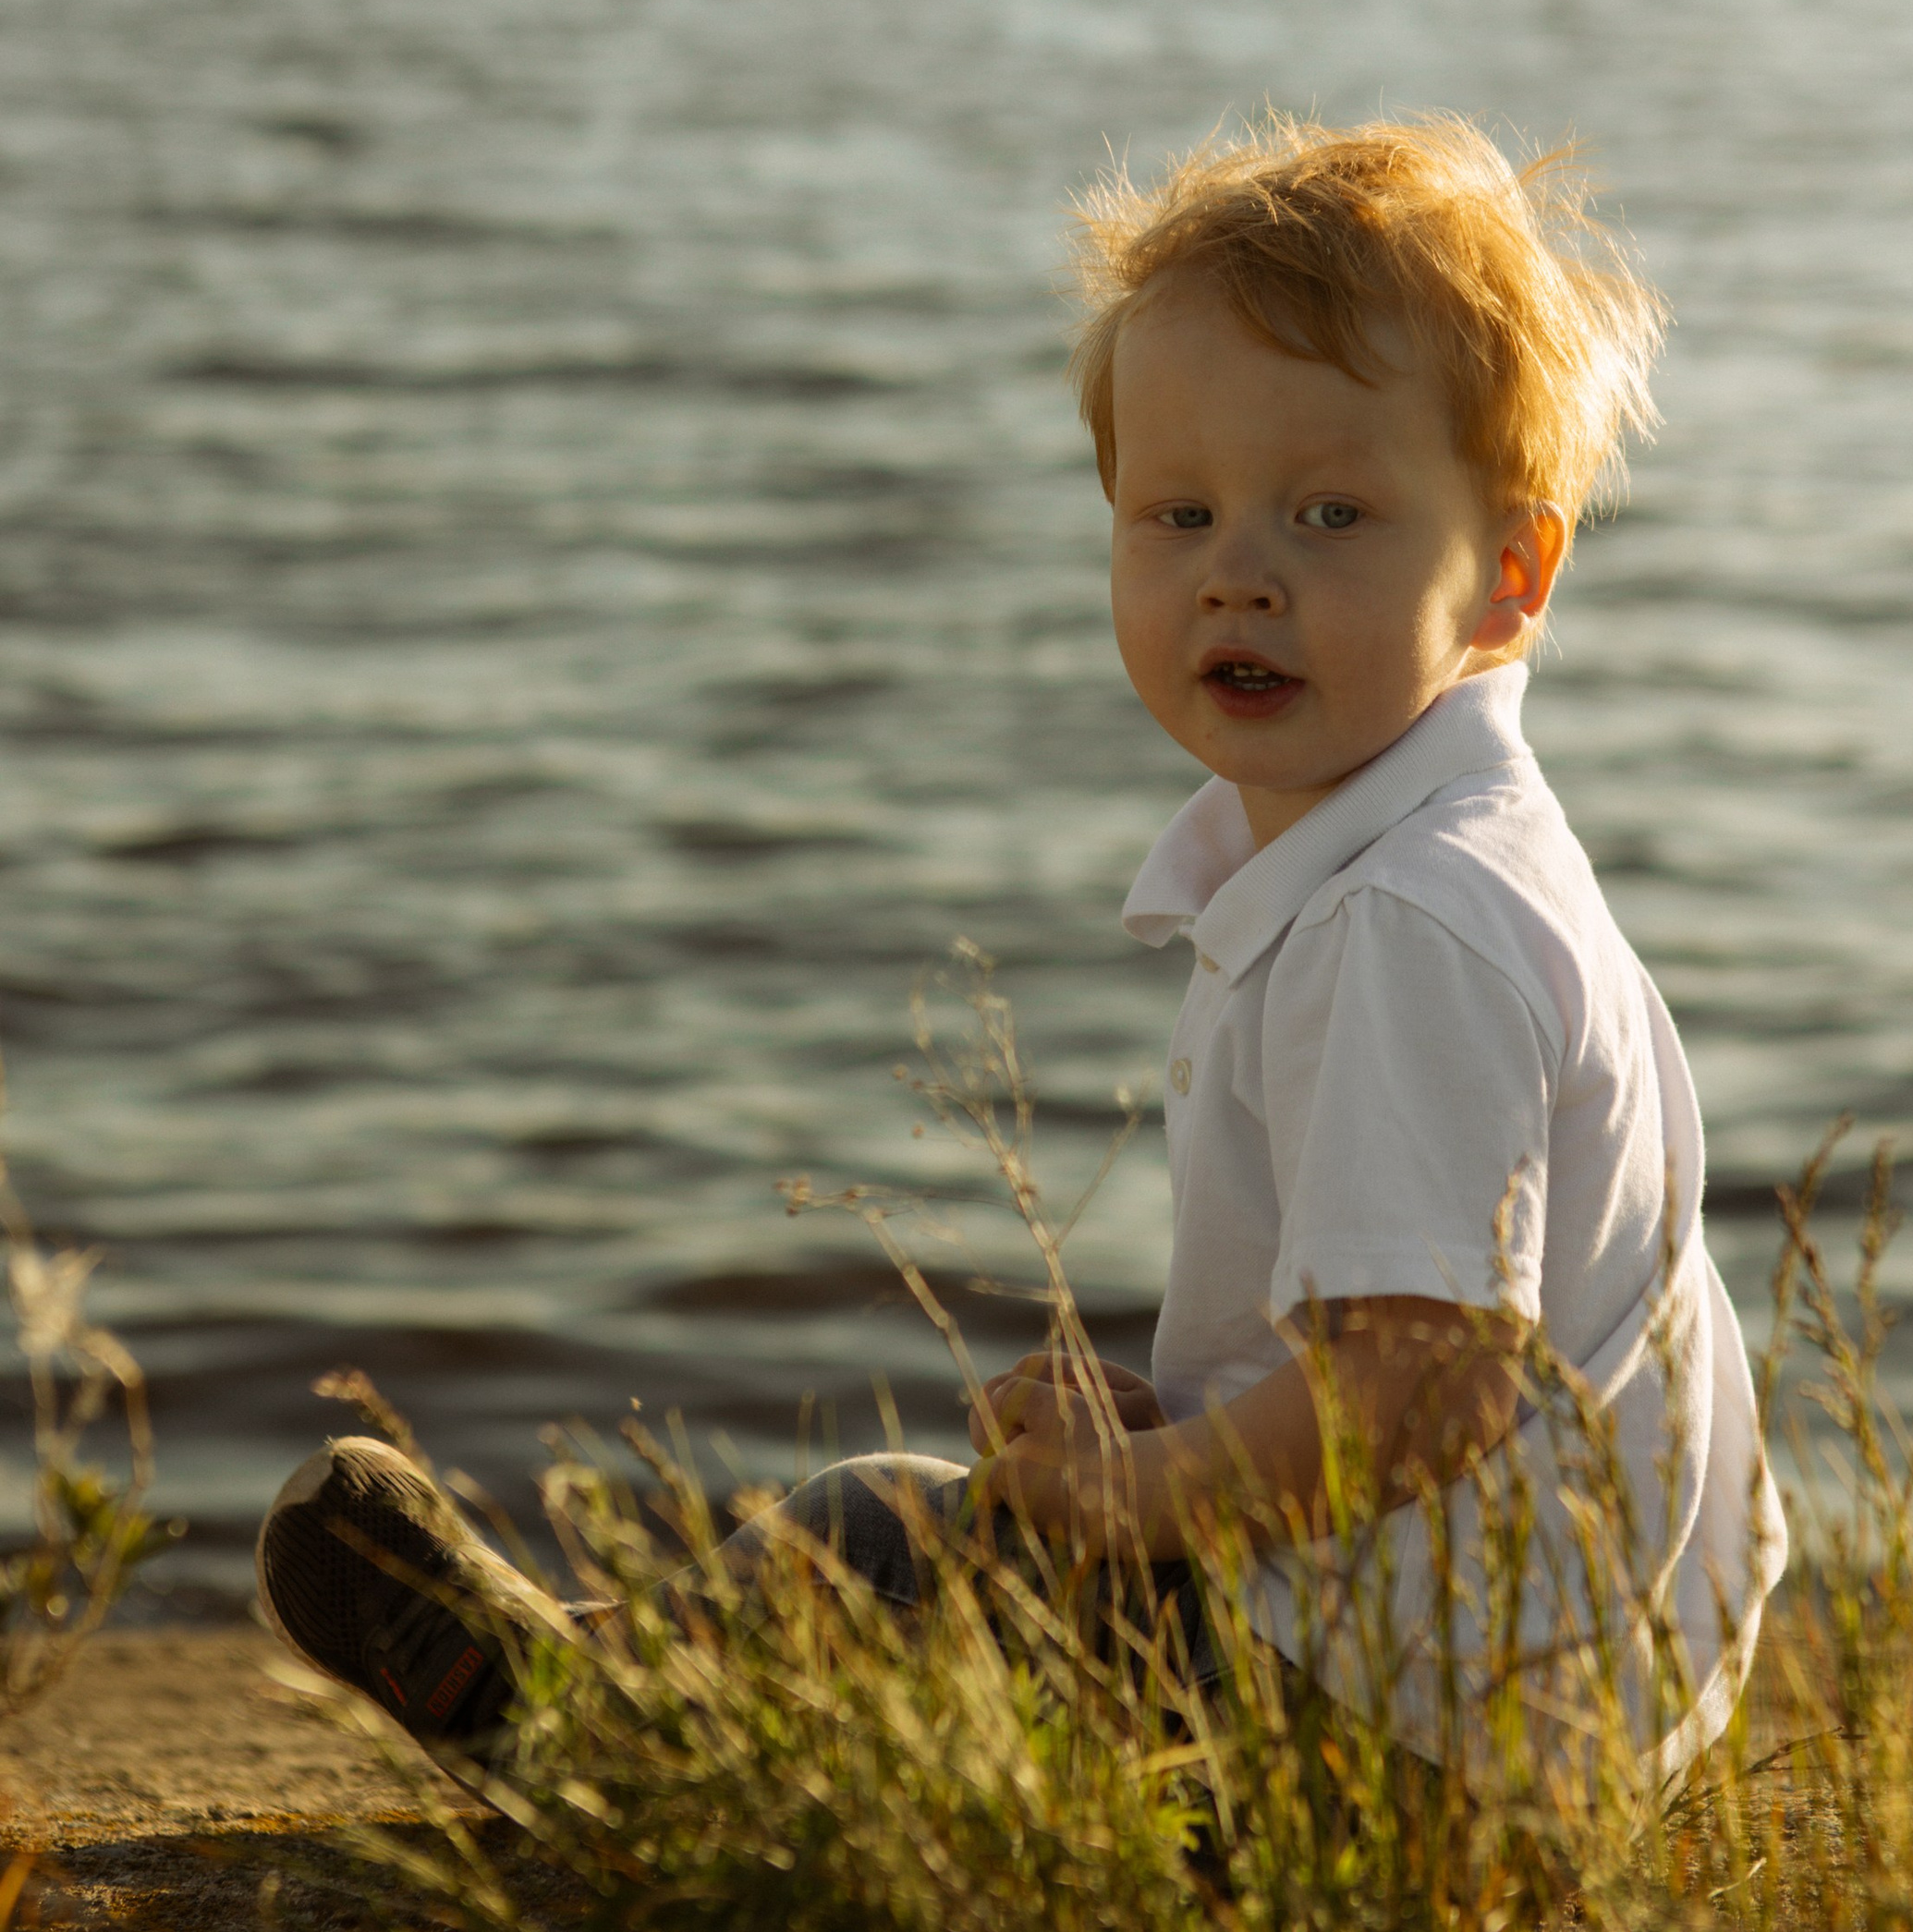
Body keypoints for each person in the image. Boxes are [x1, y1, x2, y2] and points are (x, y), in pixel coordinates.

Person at [257, 116, 1783, 1774]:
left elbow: (1424, 1396)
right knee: (966, 1541)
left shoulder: (1406, 922)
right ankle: (588, 1679)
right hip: (1512, 1701)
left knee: (898, 1540)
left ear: (1508, 571)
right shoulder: (1439, 858)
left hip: (1399, 1738)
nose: (1239, 580)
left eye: (1332, 516)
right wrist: (1191, 1438)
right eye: (1178, 515)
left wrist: (1143, 1498)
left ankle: (579, 1733)